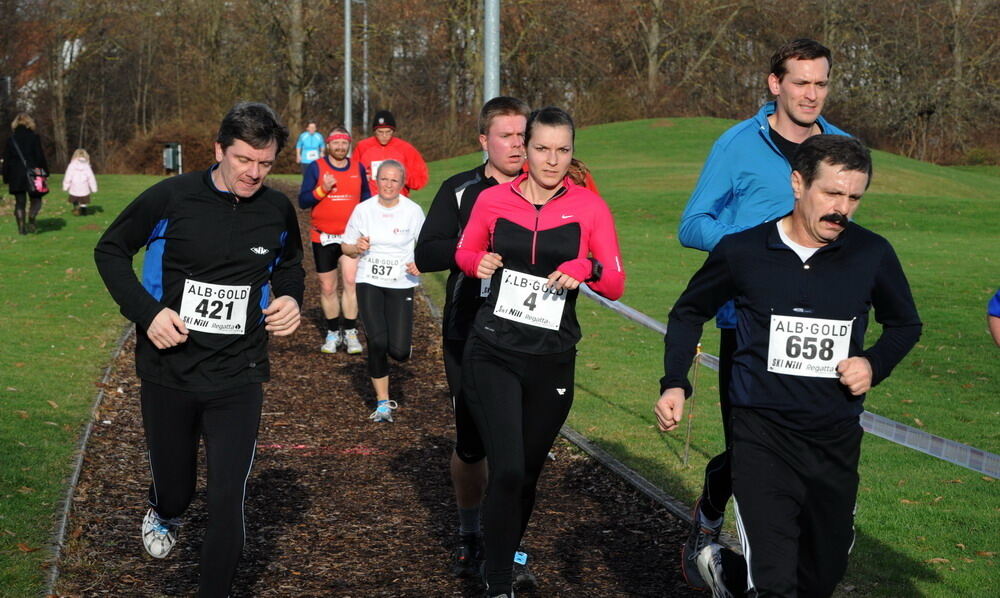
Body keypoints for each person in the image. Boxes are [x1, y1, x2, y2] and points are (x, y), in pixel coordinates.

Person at [656, 135, 922, 597]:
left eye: (854, 197)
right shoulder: (744, 251)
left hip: (833, 437)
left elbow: (905, 325)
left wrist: (873, 364)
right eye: (832, 194)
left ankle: (723, 572)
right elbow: (687, 312)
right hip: (762, 434)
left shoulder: (871, 253)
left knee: (819, 577)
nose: (843, 208)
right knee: (776, 581)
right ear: (798, 183)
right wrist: (675, 383)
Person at [94, 102, 304, 598]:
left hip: (239, 373)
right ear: (218, 151)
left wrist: (291, 297)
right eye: (243, 160)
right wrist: (147, 314)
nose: (254, 173)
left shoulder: (275, 209)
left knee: (227, 496)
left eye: (265, 164)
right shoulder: (171, 198)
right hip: (170, 369)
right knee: (179, 488)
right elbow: (110, 250)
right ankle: (164, 509)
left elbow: (289, 264)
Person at [674, 38, 850, 591]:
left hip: (821, 332)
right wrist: (758, 250)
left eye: (820, 83)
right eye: (800, 82)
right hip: (747, 327)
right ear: (775, 84)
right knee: (758, 456)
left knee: (808, 453)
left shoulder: (843, 148)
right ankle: (753, 568)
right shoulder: (737, 145)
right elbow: (692, 223)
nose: (811, 94)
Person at [455, 106, 626, 598]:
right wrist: (478, 260)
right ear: (524, 150)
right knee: (505, 467)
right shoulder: (491, 200)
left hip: (552, 356)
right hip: (494, 349)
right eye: (542, 148)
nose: (552, 160)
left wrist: (586, 268)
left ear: (572, 153)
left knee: (526, 473)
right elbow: (464, 253)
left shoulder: (589, 207)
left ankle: (500, 551)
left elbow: (614, 282)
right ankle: (499, 582)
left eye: (563, 150)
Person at [414, 96, 533, 581]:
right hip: (470, 329)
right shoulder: (460, 190)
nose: (517, 145)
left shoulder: (547, 188)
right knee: (472, 444)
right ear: (484, 140)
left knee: (520, 450)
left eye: (523, 135)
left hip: (532, 334)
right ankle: (470, 532)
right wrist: (471, 251)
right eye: (506, 136)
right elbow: (426, 252)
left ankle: (509, 549)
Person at [342, 159, 424, 422]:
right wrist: (357, 247)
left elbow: (426, 246)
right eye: (384, 179)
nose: (389, 185)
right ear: (376, 181)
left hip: (401, 283)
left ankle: (400, 346)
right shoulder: (363, 210)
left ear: (402, 183)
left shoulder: (413, 211)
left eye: (394, 180)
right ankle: (382, 403)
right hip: (370, 280)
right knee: (377, 341)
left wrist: (419, 263)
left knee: (398, 351)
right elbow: (345, 247)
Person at [298, 126, 370, 354]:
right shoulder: (315, 167)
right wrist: (323, 189)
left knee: (350, 282)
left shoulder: (357, 168)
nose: (340, 147)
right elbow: (303, 200)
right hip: (323, 236)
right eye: (335, 143)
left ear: (349, 144)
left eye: (344, 142)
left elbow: (367, 201)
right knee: (328, 287)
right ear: (328, 144)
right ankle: (332, 332)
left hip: (350, 238)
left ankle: (350, 331)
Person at [352, 110, 429, 196]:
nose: (384, 136)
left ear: (393, 131)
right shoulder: (362, 147)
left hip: (397, 202)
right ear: (374, 131)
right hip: (371, 202)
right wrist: (362, 178)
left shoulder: (406, 149)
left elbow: (421, 179)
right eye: (380, 132)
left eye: (388, 132)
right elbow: (351, 176)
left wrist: (403, 176)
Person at [2, 113, 49, 234]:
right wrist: (45, 172)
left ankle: (22, 229)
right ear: (30, 123)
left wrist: (6, 176)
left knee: (19, 202)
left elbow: (7, 160)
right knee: (36, 198)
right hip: (33, 172)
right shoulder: (34, 137)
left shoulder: (11, 139)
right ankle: (32, 217)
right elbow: (39, 156)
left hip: (16, 174)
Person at [63, 148, 98, 216]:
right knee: (83, 200)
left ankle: (76, 209)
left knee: (74, 199)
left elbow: (68, 176)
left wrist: (65, 186)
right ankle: (83, 211)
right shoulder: (87, 166)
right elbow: (91, 178)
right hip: (84, 187)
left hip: (74, 186)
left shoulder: (71, 165)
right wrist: (94, 188)